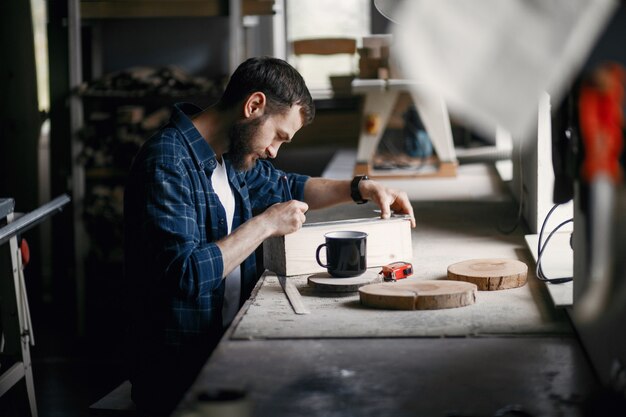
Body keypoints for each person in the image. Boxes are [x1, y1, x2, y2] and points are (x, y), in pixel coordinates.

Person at [123, 56, 415, 415]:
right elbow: (183, 274)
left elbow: (286, 185)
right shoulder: (167, 160)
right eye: (278, 135)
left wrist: (362, 187)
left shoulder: (229, 158)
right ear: (254, 105)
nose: (275, 151)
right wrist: (265, 224)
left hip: (225, 351)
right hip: (181, 376)